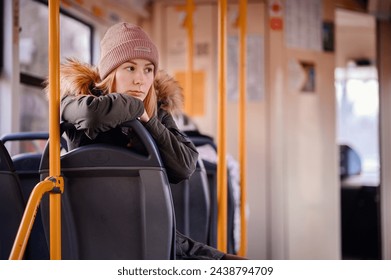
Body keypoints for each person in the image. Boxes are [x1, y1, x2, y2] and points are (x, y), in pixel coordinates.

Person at [56, 22, 246, 260]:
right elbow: (92, 116)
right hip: (91, 234)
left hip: (149, 231)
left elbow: (185, 165)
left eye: (148, 70)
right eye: (130, 68)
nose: (141, 80)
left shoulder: (157, 113)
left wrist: (149, 121)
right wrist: (135, 106)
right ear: (109, 72)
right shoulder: (77, 100)